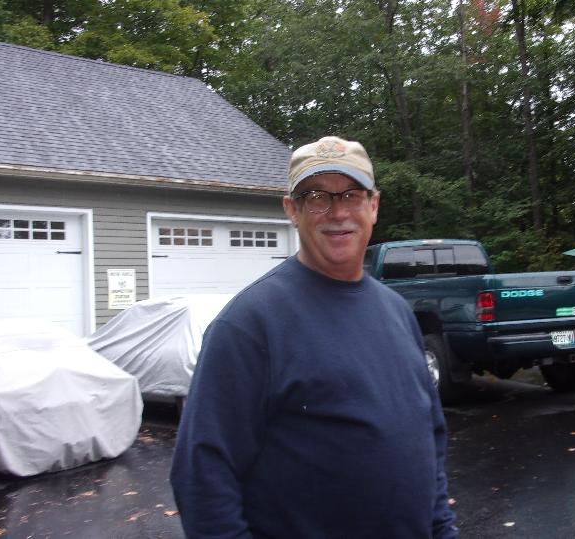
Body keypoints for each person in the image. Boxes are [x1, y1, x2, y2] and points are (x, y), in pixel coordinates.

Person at [170, 135, 458, 538]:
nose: (337, 213)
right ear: (292, 210)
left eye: (351, 195)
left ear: (373, 205)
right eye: (317, 197)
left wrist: (442, 529)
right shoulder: (250, 325)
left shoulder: (396, 311)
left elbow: (428, 439)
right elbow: (202, 475)